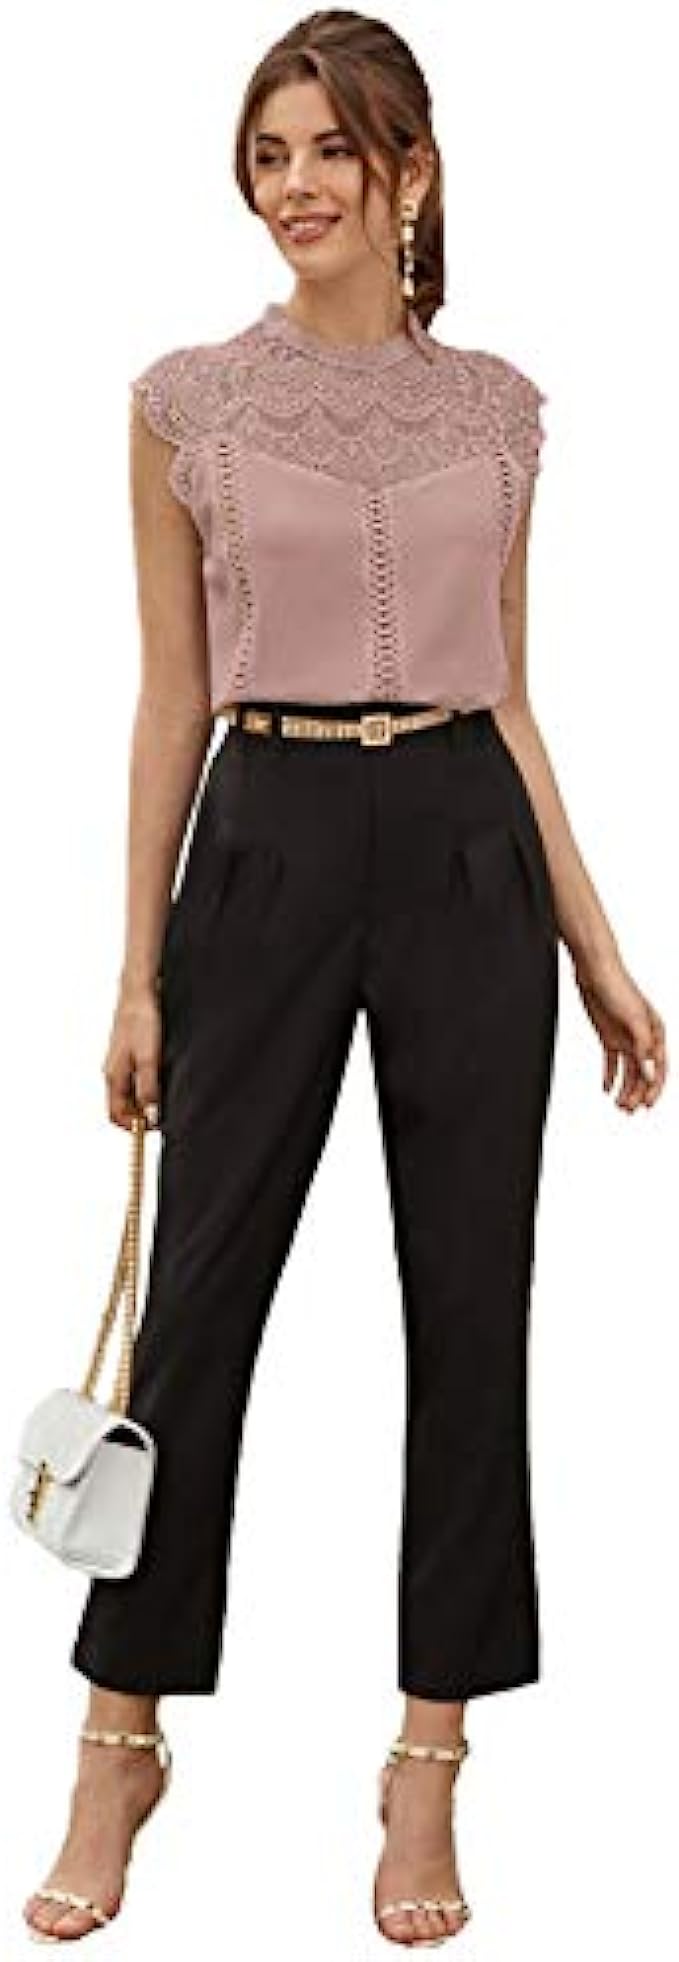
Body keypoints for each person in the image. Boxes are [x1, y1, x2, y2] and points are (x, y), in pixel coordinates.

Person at [23, 8, 667, 1949]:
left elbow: (512, 692)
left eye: (329, 149)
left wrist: (594, 942)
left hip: (468, 847)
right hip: (268, 839)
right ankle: (119, 1739)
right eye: (268, 153)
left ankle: (428, 1758)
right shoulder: (185, 404)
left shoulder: (503, 411)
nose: (294, 185)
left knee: (472, 1307)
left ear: (411, 171)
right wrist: (133, 970)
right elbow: (166, 697)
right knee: (197, 1313)